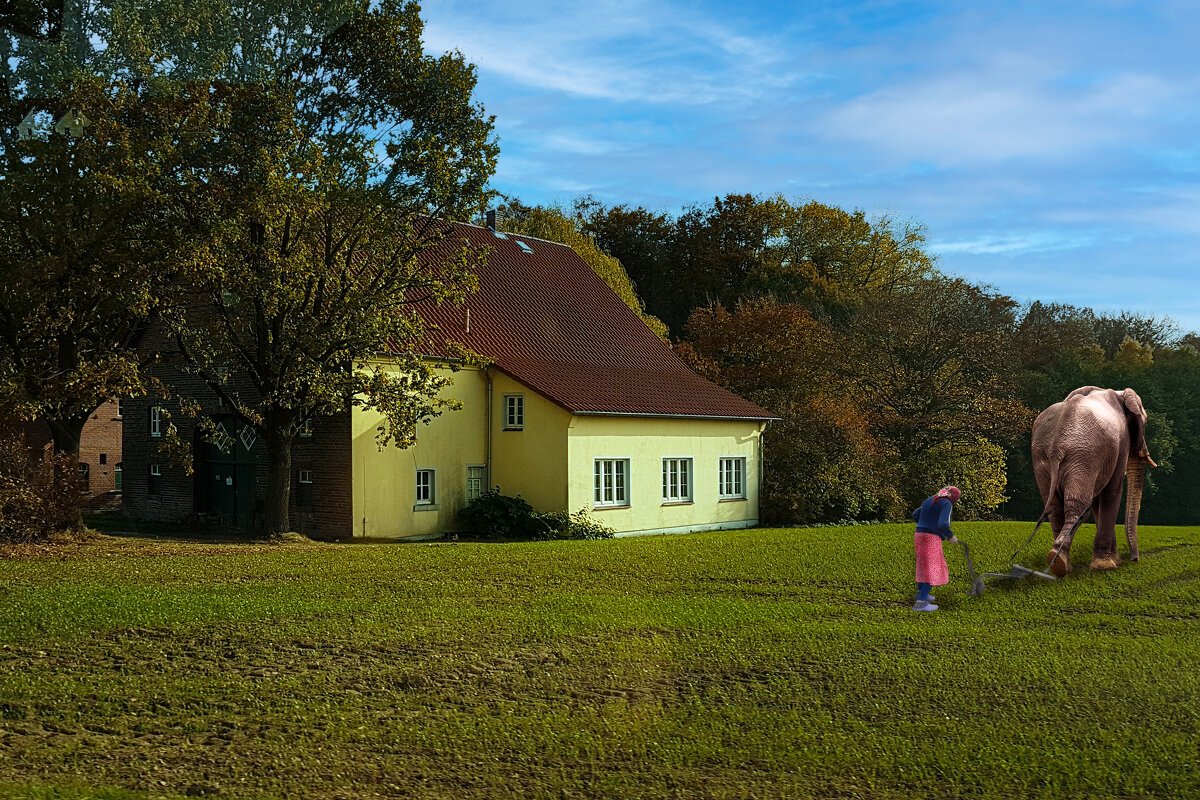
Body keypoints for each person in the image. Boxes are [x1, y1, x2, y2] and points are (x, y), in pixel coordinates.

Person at [911, 485, 961, 612]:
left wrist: (924, 524)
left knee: (923, 565)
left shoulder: (930, 500)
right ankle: (921, 603)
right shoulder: (946, 504)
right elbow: (943, 524)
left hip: (919, 535)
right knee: (933, 567)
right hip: (931, 538)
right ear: (954, 498)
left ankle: (920, 593)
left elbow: (915, 514)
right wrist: (950, 536)